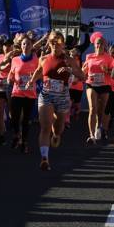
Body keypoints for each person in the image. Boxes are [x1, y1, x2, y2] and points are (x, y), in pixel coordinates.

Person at [29, 31, 85, 171]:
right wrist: (32, 80)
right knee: (45, 127)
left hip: (62, 96)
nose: (54, 44)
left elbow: (82, 76)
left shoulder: (69, 60)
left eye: (58, 41)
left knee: (58, 128)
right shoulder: (44, 58)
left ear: (63, 44)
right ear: (49, 43)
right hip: (46, 95)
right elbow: (39, 71)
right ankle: (44, 158)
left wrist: (70, 70)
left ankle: (56, 134)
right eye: (52, 41)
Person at [82, 32, 113, 144]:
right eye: (97, 43)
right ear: (94, 45)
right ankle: (91, 134)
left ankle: (99, 126)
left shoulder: (108, 58)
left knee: (102, 110)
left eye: (101, 43)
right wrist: (82, 70)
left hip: (104, 85)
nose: (99, 45)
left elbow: (112, 73)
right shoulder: (89, 56)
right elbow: (84, 71)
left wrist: (106, 71)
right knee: (92, 108)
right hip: (91, 84)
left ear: (105, 45)